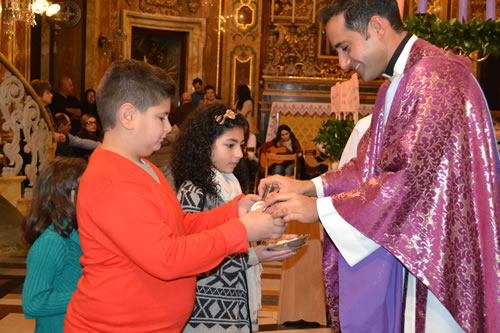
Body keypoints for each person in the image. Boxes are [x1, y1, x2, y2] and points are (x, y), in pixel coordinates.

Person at [259, 0, 500, 332]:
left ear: (377, 27)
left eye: (345, 47)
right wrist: (307, 187)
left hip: (439, 263)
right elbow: (368, 165)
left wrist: (319, 210)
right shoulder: (395, 84)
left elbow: (411, 180)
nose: (343, 63)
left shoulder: (435, 77)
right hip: (414, 253)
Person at [63, 59, 286, 332]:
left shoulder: (144, 166)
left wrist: (232, 212)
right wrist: (240, 231)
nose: (169, 127)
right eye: (161, 117)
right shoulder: (111, 179)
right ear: (128, 116)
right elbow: (167, 258)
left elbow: (176, 226)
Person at [172, 104, 296, 332]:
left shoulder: (230, 184)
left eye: (240, 145)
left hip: (232, 306)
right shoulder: (193, 191)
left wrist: (257, 254)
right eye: (230, 145)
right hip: (206, 312)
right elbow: (189, 260)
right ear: (203, 145)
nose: (239, 153)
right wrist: (251, 257)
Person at [22, 157, 87, 333]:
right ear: (62, 193)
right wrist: (88, 296)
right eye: (83, 188)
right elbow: (33, 303)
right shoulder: (51, 242)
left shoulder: (76, 233)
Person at [30, 79, 65, 144]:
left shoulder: (46, 108)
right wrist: (53, 136)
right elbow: (35, 134)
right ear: (39, 96)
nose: (51, 95)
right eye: (48, 93)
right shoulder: (33, 111)